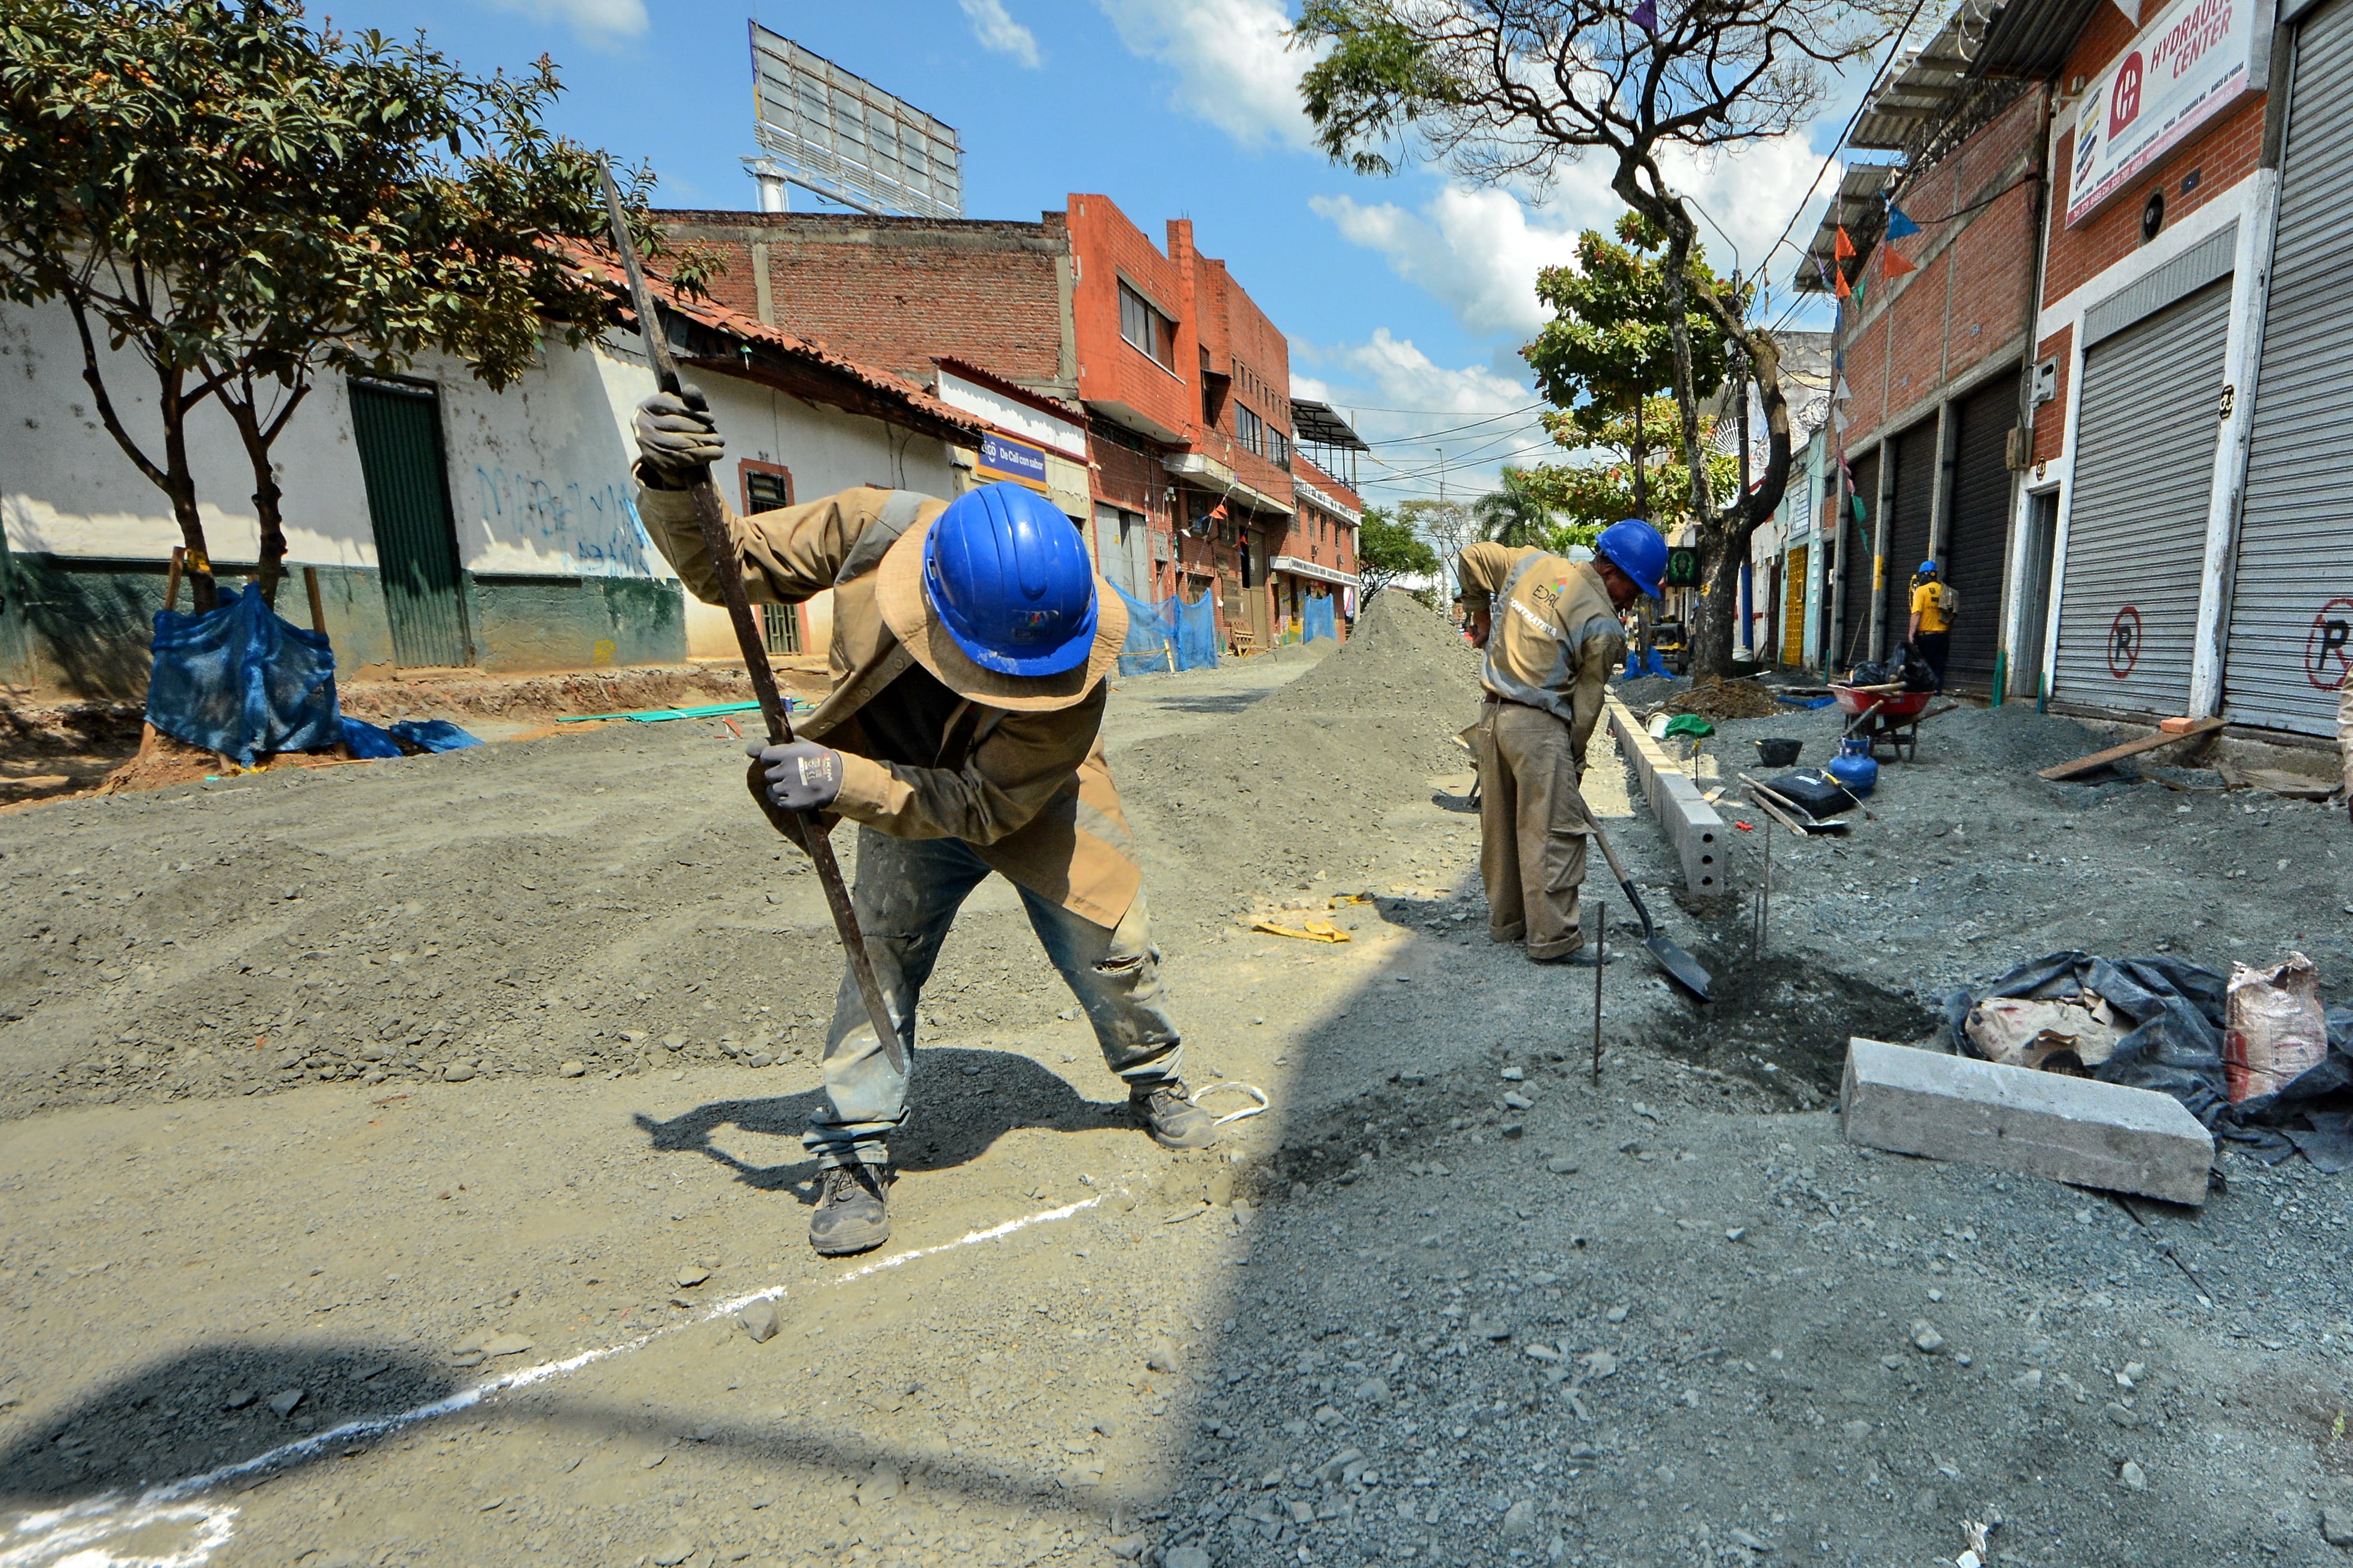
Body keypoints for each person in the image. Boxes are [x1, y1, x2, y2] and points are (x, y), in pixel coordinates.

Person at [630, 387, 1216, 1258]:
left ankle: (1154, 1077)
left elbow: (983, 805)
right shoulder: (875, 527)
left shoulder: (1071, 670)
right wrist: (676, 482)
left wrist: (840, 777)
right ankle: (850, 1151)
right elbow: (728, 564)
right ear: (934, 603)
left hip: (1026, 796)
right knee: (878, 955)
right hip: (893, 783)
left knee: (1110, 942)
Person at [1455, 521, 1662, 964]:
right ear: (1612, 571)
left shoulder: (1533, 562)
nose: (1634, 598)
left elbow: (1472, 556)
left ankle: (1508, 922)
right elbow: (1585, 710)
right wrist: (1572, 764)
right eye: (1635, 587)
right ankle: (1552, 939)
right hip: (1539, 727)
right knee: (1551, 834)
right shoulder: (1605, 625)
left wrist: (1481, 616)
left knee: (1502, 828)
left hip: (1491, 717)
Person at [1907, 560, 1952, 689]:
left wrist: (1911, 635)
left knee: (1924, 669)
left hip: (1927, 637)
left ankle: (1925, 697)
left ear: (1923, 575)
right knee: (1939, 669)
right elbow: (1950, 616)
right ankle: (1937, 696)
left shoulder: (1921, 591)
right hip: (1943, 637)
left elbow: (1916, 614)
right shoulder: (1945, 591)